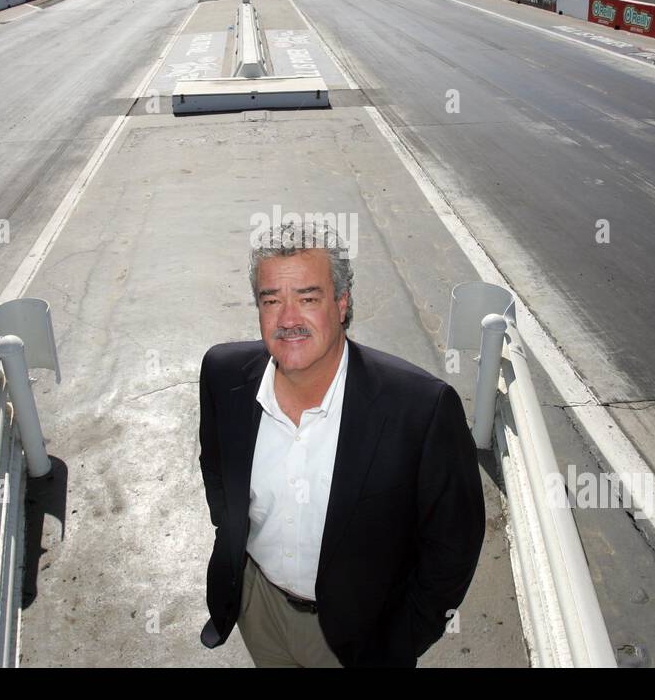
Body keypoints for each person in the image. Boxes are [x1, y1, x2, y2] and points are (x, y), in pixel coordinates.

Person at [197, 219, 485, 667]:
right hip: (259, 607)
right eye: (271, 300)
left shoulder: (420, 410)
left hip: (359, 639)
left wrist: (400, 641)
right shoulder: (223, 374)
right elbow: (216, 470)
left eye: (308, 298)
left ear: (342, 303)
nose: (288, 320)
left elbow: (454, 544)